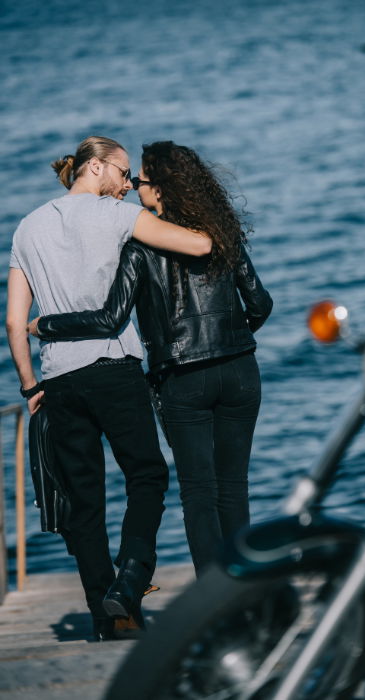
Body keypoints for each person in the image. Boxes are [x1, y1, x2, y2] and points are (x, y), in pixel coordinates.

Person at [29, 141, 273, 576]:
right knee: (234, 488)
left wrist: (47, 325)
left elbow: (109, 317)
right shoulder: (220, 233)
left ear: (159, 190)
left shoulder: (138, 248)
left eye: (139, 180)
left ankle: (213, 603)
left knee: (199, 493)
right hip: (240, 371)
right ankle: (248, 589)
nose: (133, 185)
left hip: (182, 378)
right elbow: (260, 304)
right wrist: (231, 340)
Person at [6, 136, 211, 640]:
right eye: (123, 174)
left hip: (58, 378)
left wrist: (30, 385)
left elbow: (14, 323)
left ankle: (108, 617)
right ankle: (131, 577)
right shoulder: (115, 217)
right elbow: (199, 244)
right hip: (113, 368)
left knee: (83, 500)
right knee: (147, 476)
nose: (127, 185)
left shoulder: (27, 228)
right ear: (96, 167)